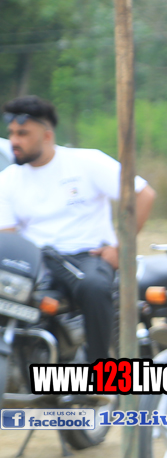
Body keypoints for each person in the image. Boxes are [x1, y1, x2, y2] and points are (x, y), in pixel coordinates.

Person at [0, 95, 157, 360]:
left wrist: (121, 247)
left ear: (47, 135)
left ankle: (100, 368)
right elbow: (7, 236)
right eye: (12, 133)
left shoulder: (87, 162)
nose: (14, 140)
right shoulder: (7, 180)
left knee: (94, 287)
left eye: (23, 133)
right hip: (35, 261)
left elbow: (143, 194)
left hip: (85, 256)